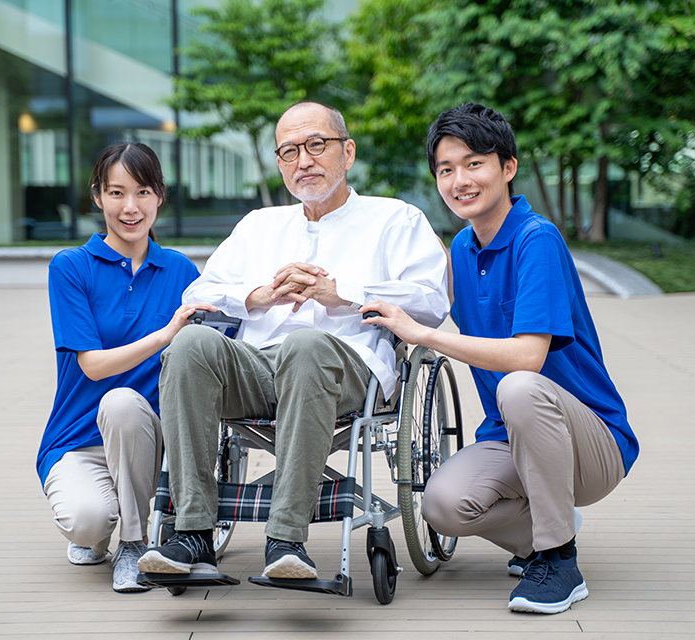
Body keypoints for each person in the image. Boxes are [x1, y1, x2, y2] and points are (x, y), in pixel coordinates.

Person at [137, 101, 450, 580]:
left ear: (347, 153)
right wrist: (259, 295)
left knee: (307, 344)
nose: (303, 160)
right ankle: (192, 533)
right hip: (257, 367)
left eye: (316, 145)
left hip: (347, 370)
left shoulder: (395, 219)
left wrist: (343, 293)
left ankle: (286, 539)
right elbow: (199, 295)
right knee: (190, 344)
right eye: (289, 151)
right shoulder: (258, 225)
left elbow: (431, 300)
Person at [360, 103, 639, 614]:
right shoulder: (461, 250)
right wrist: (332, 294)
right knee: (441, 505)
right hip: (509, 437)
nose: (460, 180)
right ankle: (545, 526)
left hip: (591, 443)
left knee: (519, 384)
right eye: (446, 169)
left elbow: (528, 357)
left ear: (508, 167)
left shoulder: (537, 239)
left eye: (474, 164)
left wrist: (423, 334)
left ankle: (559, 560)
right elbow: (409, 297)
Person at [36, 142, 215, 592]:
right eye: (116, 193)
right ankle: (100, 533)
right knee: (86, 522)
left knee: (122, 405)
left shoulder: (180, 271)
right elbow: (94, 367)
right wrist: (164, 334)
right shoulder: (71, 267)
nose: (130, 207)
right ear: (98, 197)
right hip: (80, 440)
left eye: (143, 192)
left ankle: (133, 544)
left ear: (160, 197)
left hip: (149, 438)